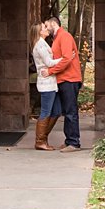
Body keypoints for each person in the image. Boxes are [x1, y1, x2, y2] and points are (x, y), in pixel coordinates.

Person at [40, 16, 83, 152]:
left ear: (54, 24)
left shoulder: (64, 36)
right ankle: (69, 140)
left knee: (71, 111)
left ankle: (74, 142)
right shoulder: (57, 39)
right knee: (65, 111)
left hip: (70, 79)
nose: (46, 29)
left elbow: (66, 59)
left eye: (47, 26)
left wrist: (50, 71)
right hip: (62, 80)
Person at [30, 22, 62, 151]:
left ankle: (44, 138)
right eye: (44, 27)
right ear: (39, 32)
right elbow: (49, 62)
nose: (47, 29)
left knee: (57, 111)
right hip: (46, 84)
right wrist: (65, 58)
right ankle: (40, 141)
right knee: (46, 111)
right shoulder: (40, 46)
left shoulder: (43, 44)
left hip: (51, 83)